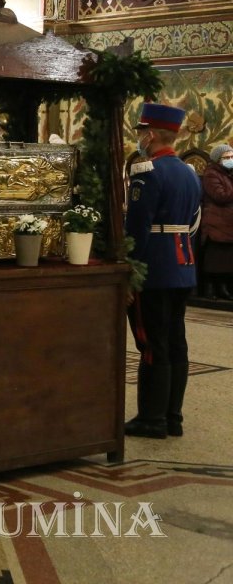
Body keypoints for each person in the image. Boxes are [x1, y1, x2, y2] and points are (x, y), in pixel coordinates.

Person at [125, 103, 203, 440]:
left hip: (153, 267)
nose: (140, 138)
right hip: (183, 263)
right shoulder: (189, 171)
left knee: (151, 342)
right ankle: (173, 416)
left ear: (151, 134)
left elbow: (137, 226)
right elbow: (195, 221)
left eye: (142, 132)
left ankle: (151, 418)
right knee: (175, 341)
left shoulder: (146, 170)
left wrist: (130, 269)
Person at [200, 143, 233, 299]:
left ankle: (223, 288)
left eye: (232, 157)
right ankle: (211, 289)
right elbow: (221, 196)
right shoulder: (211, 174)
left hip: (227, 223)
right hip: (215, 223)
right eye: (226, 157)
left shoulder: (227, 173)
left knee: (226, 260)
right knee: (214, 260)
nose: (230, 159)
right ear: (217, 159)